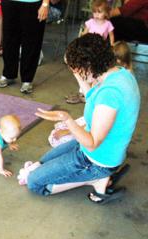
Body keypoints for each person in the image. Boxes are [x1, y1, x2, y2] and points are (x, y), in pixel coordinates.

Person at [25, 34, 140, 204]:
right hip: (95, 150)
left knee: (34, 182)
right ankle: (97, 178)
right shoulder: (118, 74)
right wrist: (77, 72)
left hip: (96, 160)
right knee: (40, 163)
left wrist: (67, 119)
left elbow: (92, 142)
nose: (76, 71)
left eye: (78, 68)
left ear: (89, 65)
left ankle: (93, 179)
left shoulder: (110, 93)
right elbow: (92, 97)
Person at [0, 0, 49, 94]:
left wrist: (45, 4)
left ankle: (27, 79)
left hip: (33, 3)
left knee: (32, 41)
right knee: (9, 40)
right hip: (10, 3)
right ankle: (8, 74)